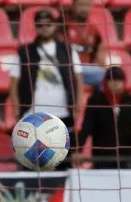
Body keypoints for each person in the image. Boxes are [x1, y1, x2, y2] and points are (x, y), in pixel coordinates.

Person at [7, 9, 84, 152]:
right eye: (40, 25)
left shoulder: (67, 50)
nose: (45, 29)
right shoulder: (24, 52)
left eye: (48, 25)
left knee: (63, 156)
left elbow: (78, 78)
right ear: (36, 27)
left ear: (54, 25)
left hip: (63, 111)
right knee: (32, 156)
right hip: (32, 112)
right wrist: (16, 107)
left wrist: (79, 101)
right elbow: (13, 82)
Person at [76, 66, 131, 169]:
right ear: (106, 82)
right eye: (112, 80)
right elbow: (86, 127)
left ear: (124, 82)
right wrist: (78, 151)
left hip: (126, 156)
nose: (115, 83)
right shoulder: (95, 101)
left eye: (119, 80)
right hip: (101, 157)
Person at [64, 0, 108, 87]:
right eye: (80, 5)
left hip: (88, 71)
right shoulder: (64, 26)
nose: (84, 9)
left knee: (108, 77)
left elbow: (100, 58)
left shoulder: (94, 30)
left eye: (87, 5)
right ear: (73, 5)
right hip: (68, 70)